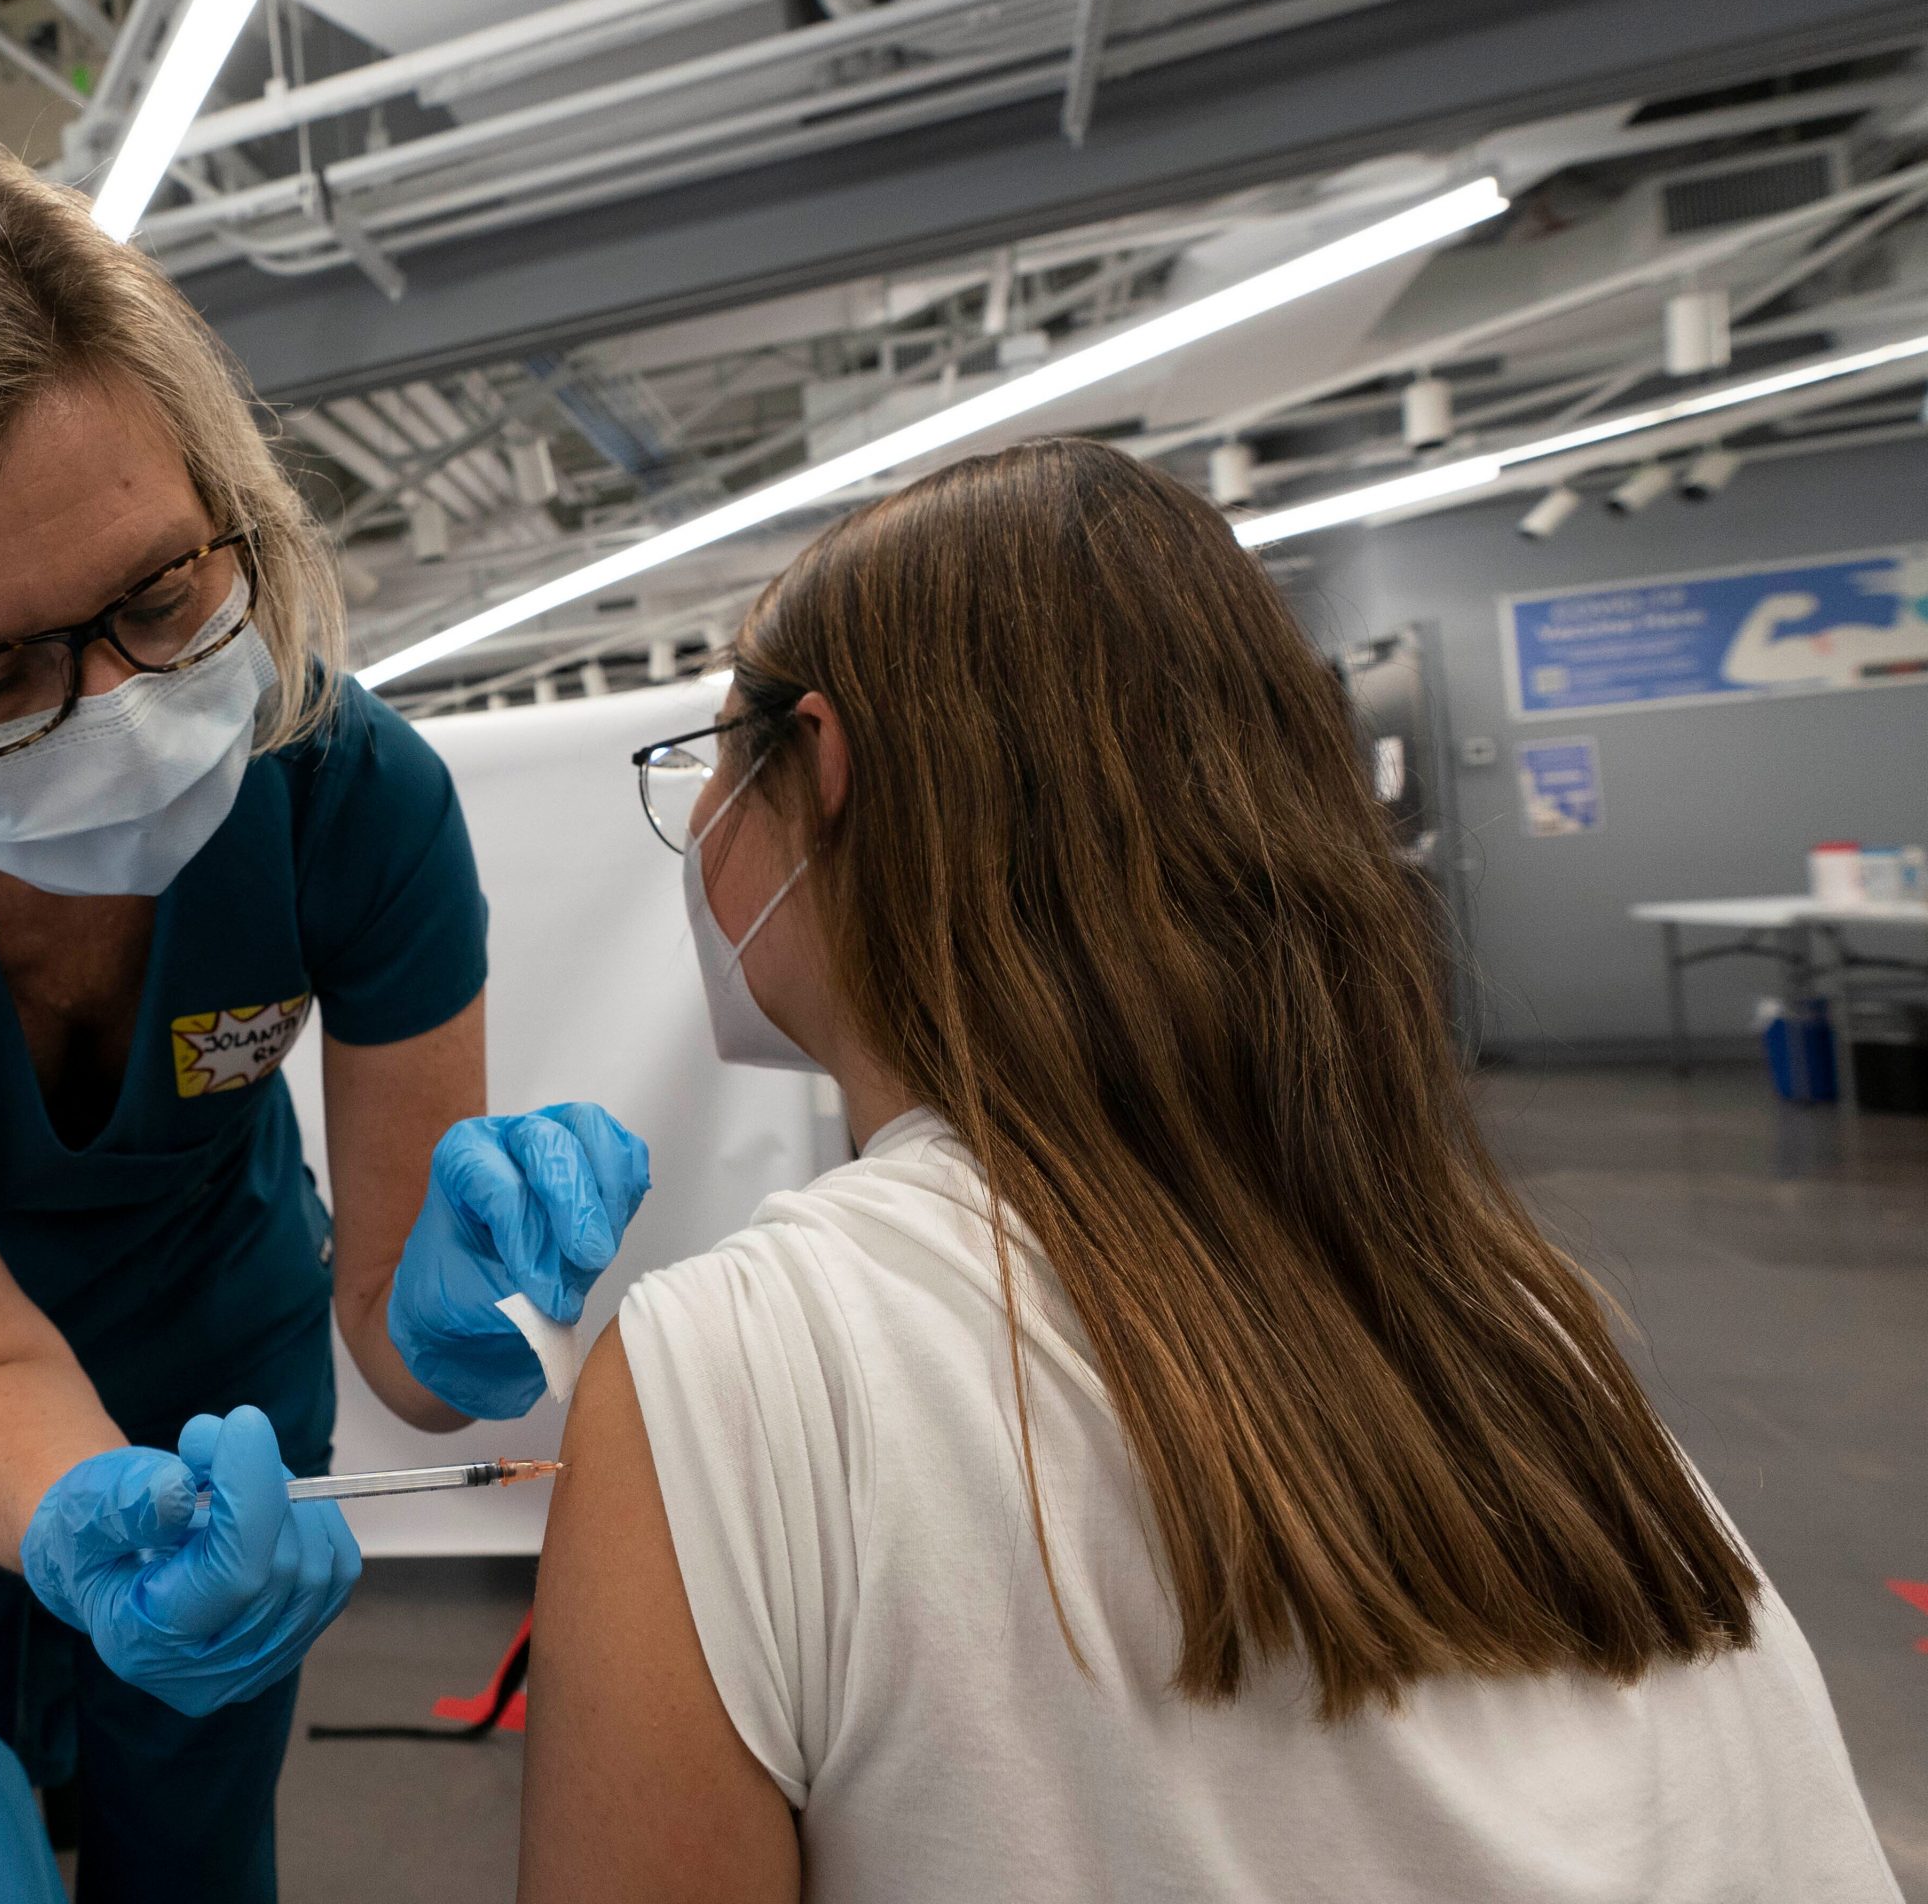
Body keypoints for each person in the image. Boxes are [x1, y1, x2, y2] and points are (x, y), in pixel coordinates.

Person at [520, 437, 1899, 1902]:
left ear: (827, 767)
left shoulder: (737, 1369)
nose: (703, 824)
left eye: (715, 761)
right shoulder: (1515, 1321)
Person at [0, 146, 647, 1902]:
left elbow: (398, 1333)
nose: (129, 711)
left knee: (192, 1845)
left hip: (217, 1396)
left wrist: (464, 1316)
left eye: (164, 596)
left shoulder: (346, 792)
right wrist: (70, 1517)